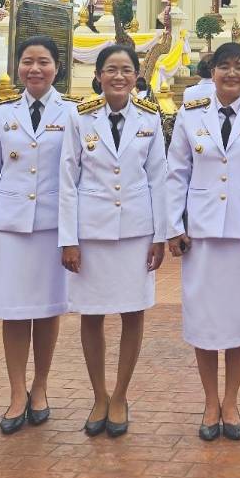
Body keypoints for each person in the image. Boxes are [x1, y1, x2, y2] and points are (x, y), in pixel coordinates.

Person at [166, 42, 240, 440]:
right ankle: (209, 401)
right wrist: (173, 227)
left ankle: (231, 402)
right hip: (201, 234)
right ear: (211, 73)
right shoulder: (190, 116)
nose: (232, 73)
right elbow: (176, 173)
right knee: (204, 320)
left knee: (238, 320)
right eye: (224, 67)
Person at [58, 43, 167, 437]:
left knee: (133, 312)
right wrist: (68, 239)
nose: (118, 77)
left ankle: (120, 395)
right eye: (111, 70)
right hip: (92, 232)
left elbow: (159, 177)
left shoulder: (150, 119)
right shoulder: (79, 118)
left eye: (126, 70)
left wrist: (161, 236)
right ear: (99, 76)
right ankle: (98, 395)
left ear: (137, 77)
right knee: (91, 314)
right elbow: (67, 181)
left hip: (136, 232)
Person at [0, 36, 73, 434]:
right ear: (18, 67)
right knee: (12, 312)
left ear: (56, 67)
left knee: (47, 310)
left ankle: (41, 386)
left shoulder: (73, 113)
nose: (35, 69)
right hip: (10, 225)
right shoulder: (1, 114)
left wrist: (74, 233)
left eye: (43, 62)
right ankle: (16, 392)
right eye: (27, 61)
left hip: (51, 226)